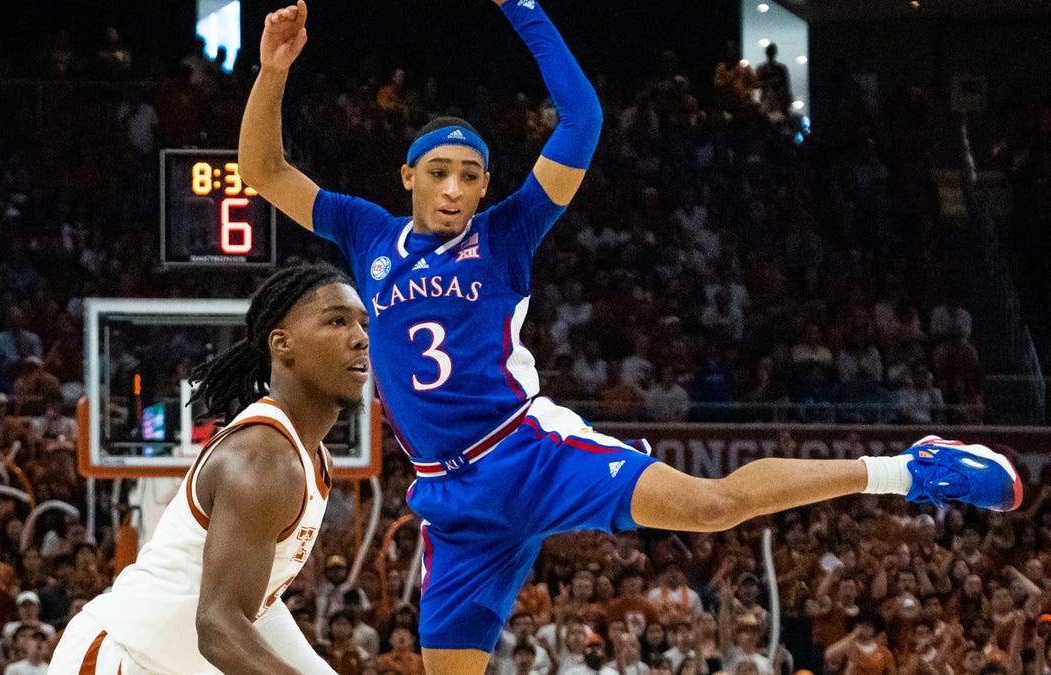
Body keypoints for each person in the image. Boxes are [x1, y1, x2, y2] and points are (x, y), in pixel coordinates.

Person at [238, 2, 1022, 672]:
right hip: (452, 500)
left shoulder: (509, 232)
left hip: (528, 450)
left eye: (470, 175)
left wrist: (524, 9)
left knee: (713, 507)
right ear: (408, 176)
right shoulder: (365, 231)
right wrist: (273, 70)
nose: (453, 187)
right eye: (438, 171)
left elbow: (582, 118)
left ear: (484, 185)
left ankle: (906, 470)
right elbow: (266, 171)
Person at [48, 264, 369, 674]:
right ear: (282, 344)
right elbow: (218, 626)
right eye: (337, 322)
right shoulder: (263, 460)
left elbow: (260, 606)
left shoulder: (314, 457)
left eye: (362, 324)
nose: (360, 338)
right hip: (119, 659)